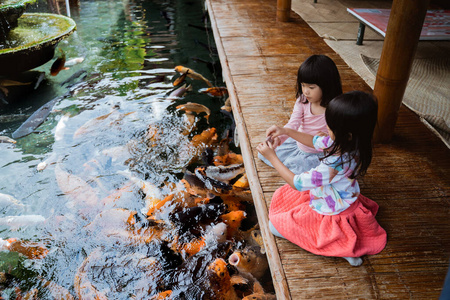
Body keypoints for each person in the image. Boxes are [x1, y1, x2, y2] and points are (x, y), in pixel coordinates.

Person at [257, 91, 387, 266]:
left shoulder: (332, 166)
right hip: (348, 199)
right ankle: (346, 247)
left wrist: (272, 156)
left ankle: (343, 250)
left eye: (330, 127)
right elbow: (316, 141)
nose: (326, 129)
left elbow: (296, 183)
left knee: (275, 225)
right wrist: (286, 131)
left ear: (345, 134)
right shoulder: (355, 143)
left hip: (329, 208)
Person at [258, 54, 342, 174]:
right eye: (303, 85)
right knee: (265, 153)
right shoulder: (303, 100)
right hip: (298, 145)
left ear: (327, 85)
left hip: (318, 153)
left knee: (300, 172)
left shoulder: (335, 108)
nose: (306, 91)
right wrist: (280, 138)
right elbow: (293, 124)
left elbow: (336, 139)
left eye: (311, 87)